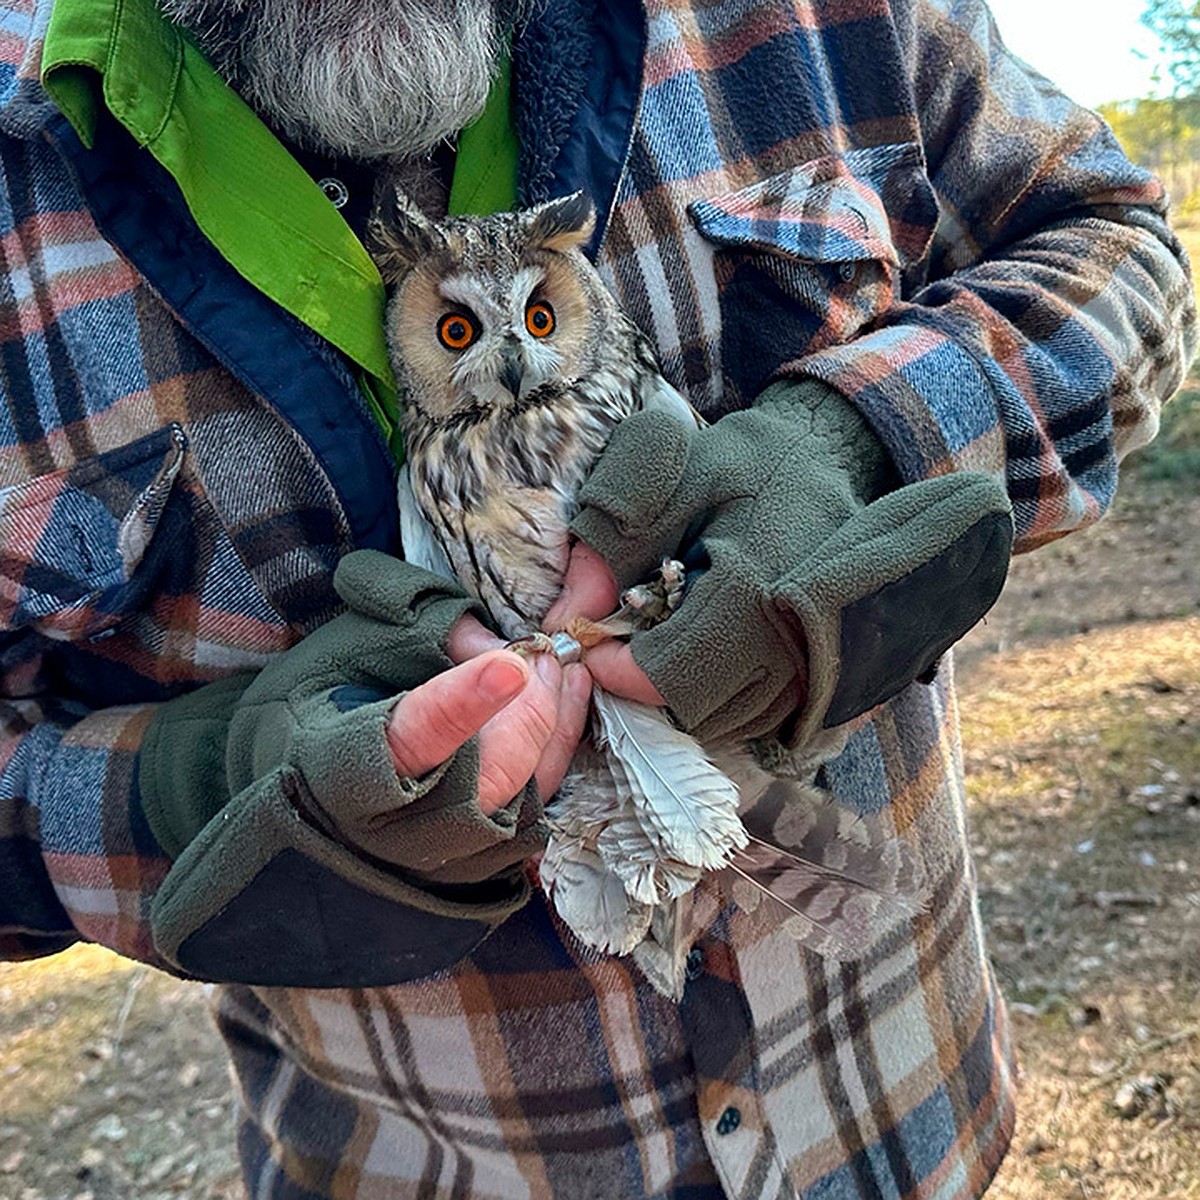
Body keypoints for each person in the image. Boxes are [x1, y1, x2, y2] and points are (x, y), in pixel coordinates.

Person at [0, 0, 1193, 1196]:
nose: (506, 360)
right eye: (457, 331)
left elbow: (1117, 242)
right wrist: (200, 791)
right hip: (421, 1164)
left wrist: (855, 442)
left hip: (891, 1113)